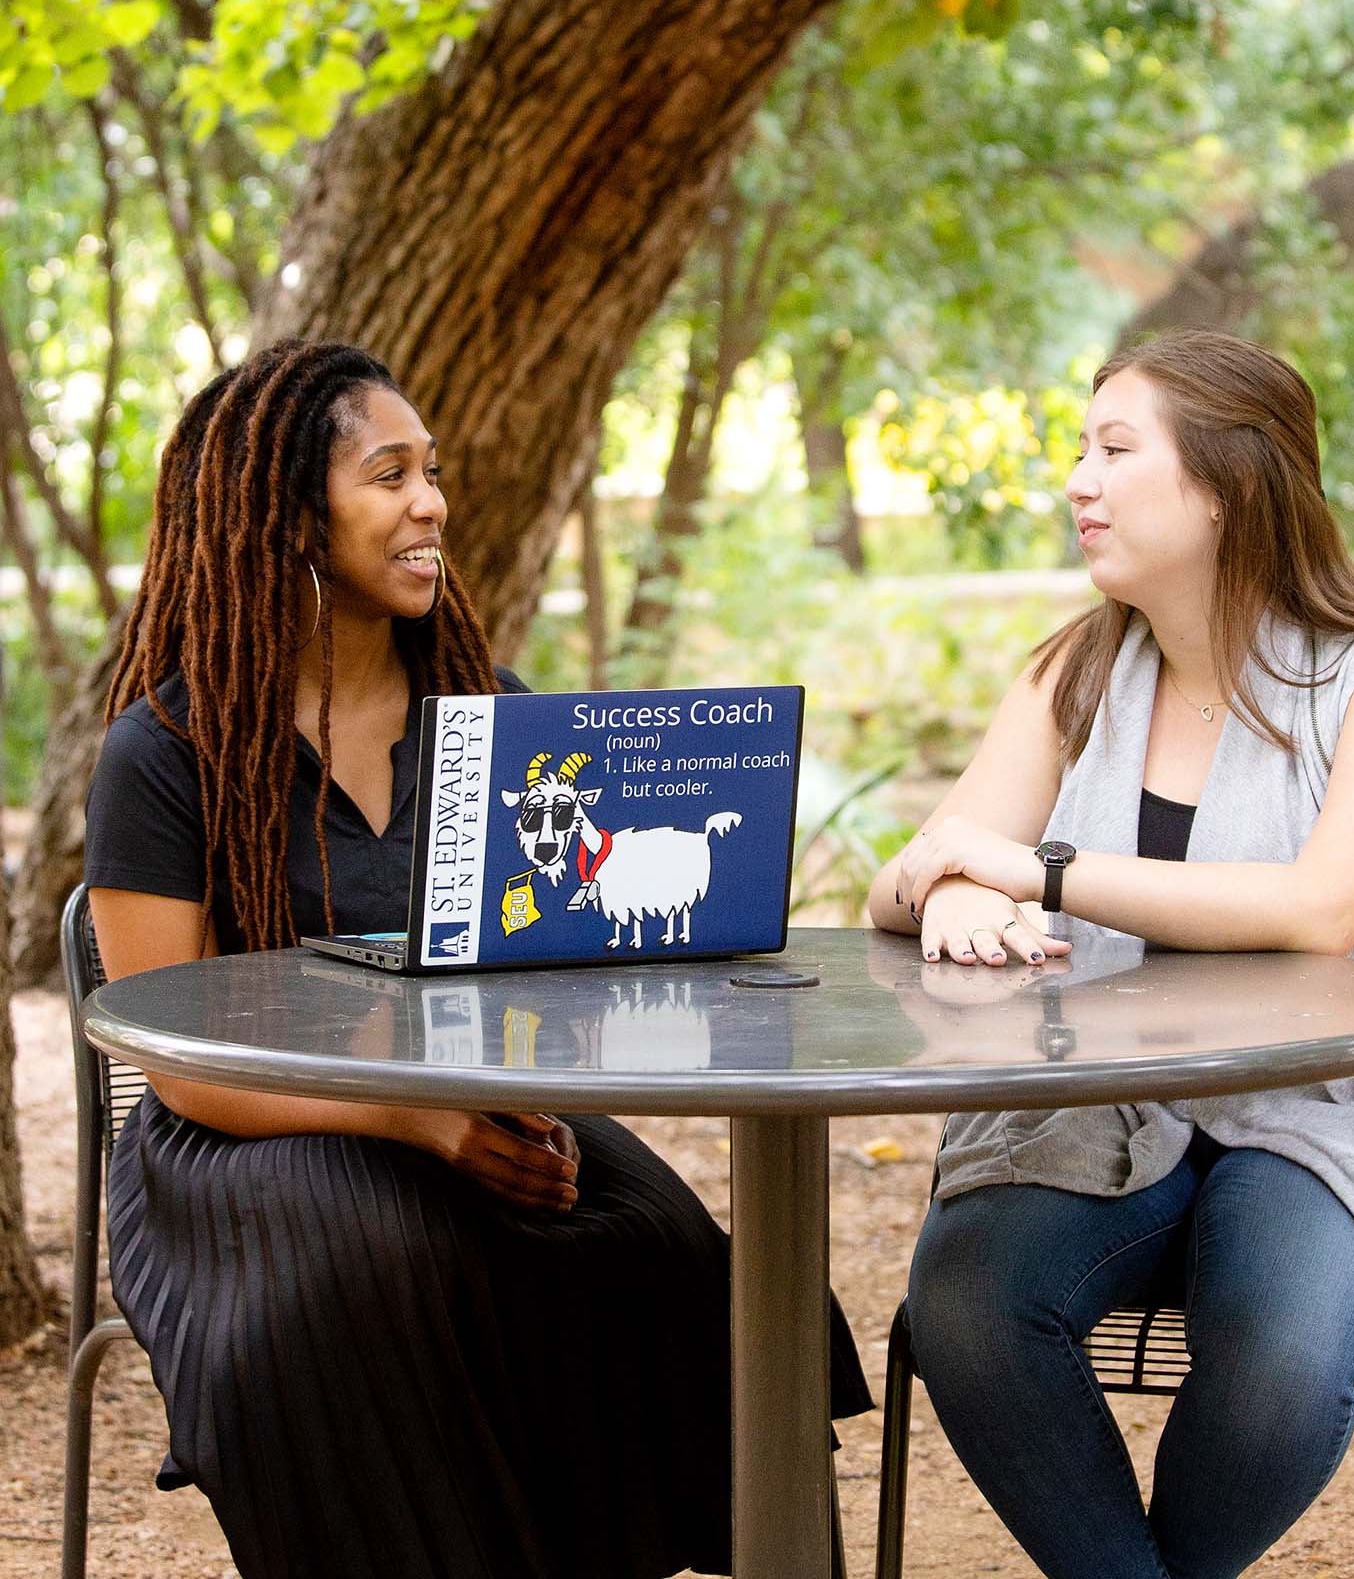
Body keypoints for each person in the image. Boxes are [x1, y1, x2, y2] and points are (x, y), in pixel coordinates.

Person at [86, 339, 871, 1579]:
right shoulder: (167, 751)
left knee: (663, 1250)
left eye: (432, 472)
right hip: (249, 1132)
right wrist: (415, 1121)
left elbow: (555, 960)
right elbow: (176, 1064)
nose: (431, 504)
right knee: (375, 1277)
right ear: (289, 515)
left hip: (479, 1093)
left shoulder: (490, 716)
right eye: (390, 474)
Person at [867, 329, 1354, 1579]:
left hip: (1337, 1109)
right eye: (1080, 450)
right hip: (1100, 1102)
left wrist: (1034, 869)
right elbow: (914, 869)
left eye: (1115, 451)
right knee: (968, 1303)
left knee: (1281, 1356)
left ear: (1225, 484)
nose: (1077, 483)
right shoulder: (1075, 670)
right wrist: (947, 884)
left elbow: (1320, 907)